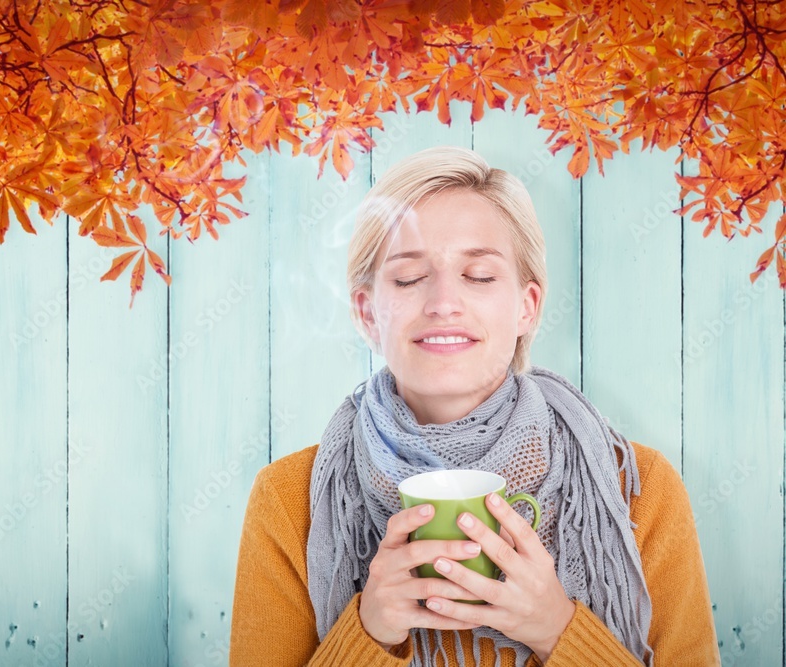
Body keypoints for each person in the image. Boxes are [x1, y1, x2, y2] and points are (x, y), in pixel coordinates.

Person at [229, 146, 719, 666]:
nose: (444, 302)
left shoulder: (637, 490)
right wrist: (368, 632)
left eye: (480, 276)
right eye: (409, 278)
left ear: (526, 307)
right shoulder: (288, 501)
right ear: (368, 312)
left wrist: (558, 630)